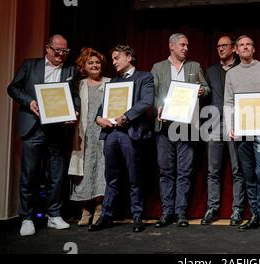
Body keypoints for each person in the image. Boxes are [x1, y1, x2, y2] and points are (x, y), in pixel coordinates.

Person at [7, 34, 79, 236]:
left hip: (57, 129)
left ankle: (54, 215)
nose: (61, 55)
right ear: (47, 48)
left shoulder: (70, 70)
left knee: (56, 174)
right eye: (58, 50)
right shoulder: (30, 65)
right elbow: (13, 88)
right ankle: (27, 218)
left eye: (65, 51)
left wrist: (75, 111)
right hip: (33, 126)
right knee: (29, 174)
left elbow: (74, 96)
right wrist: (29, 102)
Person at [90, 44, 154, 233]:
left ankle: (137, 217)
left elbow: (146, 101)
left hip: (131, 133)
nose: (114, 62)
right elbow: (103, 108)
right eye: (113, 59)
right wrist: (98, 118)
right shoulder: (113, 82)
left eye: (117, 57)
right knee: (111, 177)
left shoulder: (145, 77)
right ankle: (107, 216)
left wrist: (126, 116)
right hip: (111, 134)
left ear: (129, 57)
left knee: (135, 177)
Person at [152, 33, 210, 228]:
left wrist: (201, 90)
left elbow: (207, 89)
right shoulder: (158, 67)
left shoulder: (194, 66)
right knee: (166, 171)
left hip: (187, 126)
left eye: (187, 45)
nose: (186, 48)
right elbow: (152, 94)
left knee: (185, 172)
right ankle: (167, 212)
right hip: (165, 127)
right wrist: (158, 107)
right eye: (182, 45)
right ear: (171, 46)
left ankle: (181, 213)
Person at [224, 35, 260, 235]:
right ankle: (255, 214)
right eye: (241, 45)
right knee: (247, 172)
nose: (245, 47)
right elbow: (228, 102)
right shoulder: (231, 74)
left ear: (254, 49)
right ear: (236, 50)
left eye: (249, 44)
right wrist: (230, 126)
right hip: (241, 130)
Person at [201, 35, 245, 226]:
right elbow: (206, 95)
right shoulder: (210, 71)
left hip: (236, 124)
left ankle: (237, 209)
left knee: (238, 169)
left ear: (234, 48)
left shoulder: (242, 68)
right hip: (214, 124)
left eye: (224, 46)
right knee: (213, 170)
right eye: (218, 46)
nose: (220, 49)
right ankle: (212, 208)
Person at [68, 47, 110, 227]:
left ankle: (99, 209)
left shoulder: (110, 83)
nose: (94, 65)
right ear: (83, 66)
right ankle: (85, 210)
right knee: (84, 171)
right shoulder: (79, 85)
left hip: (103, 134)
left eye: (97, 62)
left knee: (102, 170)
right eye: (90, 63)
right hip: (83, 134)